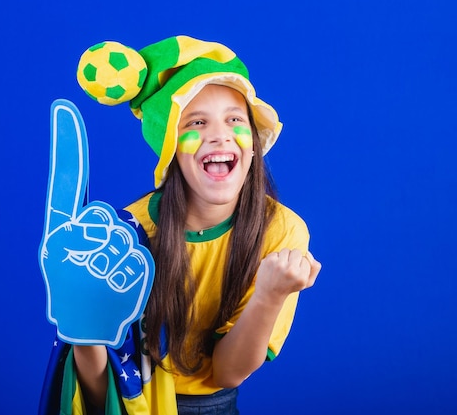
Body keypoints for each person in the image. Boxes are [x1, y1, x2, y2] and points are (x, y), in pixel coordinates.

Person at [70, 36, 321, 414]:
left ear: (253, 141)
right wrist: (82, 323)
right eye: (196, 122)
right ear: (171, 149)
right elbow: (96, 391)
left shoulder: (281, 231)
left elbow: (227, 373)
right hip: (135, 403)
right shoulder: (129, 234)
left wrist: (270, 294)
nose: (219, 135)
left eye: (234, 119)